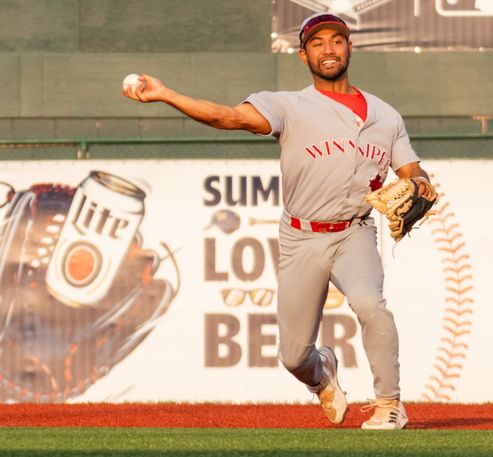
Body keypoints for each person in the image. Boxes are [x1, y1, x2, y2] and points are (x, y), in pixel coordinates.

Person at [123, 12, 434, 430]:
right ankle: (323, 372)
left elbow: (413, 171)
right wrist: (166, 94)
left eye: (336, 41)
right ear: (303, 54)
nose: (329, 49)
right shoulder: (287, 105)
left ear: (350, 48)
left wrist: (420, 185)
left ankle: (389, 404)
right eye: (318, 43)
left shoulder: (385, 115)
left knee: (371, 305)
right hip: (302, 237)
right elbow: (227, 117)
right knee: (293, 356)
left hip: (355, 232)